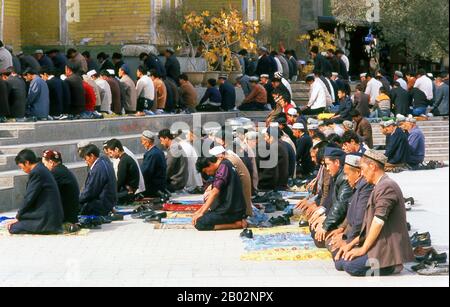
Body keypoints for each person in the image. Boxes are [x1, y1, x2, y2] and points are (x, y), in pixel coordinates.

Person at [334, 149, 414, 277]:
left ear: (372, 166)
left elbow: (378, 221)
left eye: (362, 168)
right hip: (377, 243)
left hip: (386, 248)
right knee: (339, 261)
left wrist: (363, 249)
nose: (361, 173)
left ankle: (392, 265)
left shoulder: (387, 186)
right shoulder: (379, 185)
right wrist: (352, 244)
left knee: (350, 266)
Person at [6, 150, 63, 235]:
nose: (23, 170)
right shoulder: (41, 168)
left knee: (13, 227)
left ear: (27, 162)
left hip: (47, 219)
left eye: (22, 167)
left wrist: (18, 216)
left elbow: (29, 197)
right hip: (52, 216)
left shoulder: (36, 172)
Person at [327, 155, 374, 257]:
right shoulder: (357, 185)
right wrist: (341, 229)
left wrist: (347, 240)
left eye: (348, 174)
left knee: (342, 261)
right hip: (351, 232)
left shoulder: (366, 187)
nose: (347, 178)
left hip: (359, 236)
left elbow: (359, 221)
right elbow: (350, 213)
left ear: (358, 172)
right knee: (329, 242)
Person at [311, 147, 353, 248]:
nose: (327, 168)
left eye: (328, 164)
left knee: (321, 239)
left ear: (337, 162)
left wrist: (326, 226)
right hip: (340, 220)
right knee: (315, 231)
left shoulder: (344, 177)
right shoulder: (337, 175)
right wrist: (323, 215)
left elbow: (340, 205)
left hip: (345, 222)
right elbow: (331, 199)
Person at [193, 156, 247, 231]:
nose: (207, 174)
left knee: (200, 223)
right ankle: (236, 221)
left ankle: (235, 225)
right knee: (199, 216)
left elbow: (215, 192)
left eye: (206, 171)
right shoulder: (226, 164)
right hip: (232, 209)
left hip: (231, 211)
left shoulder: (223, 168)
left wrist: (202, 212)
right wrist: (199, 211)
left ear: (210, 163)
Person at [41, 150, 80, 226]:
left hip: (65, 218)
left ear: (51, 163)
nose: (44, 166)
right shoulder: (62, 170)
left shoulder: (55, 173)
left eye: (44, 164)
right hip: (70, 215)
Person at [79, 144, 117, 216]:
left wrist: (77, 199)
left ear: (92, 156)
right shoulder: (104, 161)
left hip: (102, 205)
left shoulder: (98, 169)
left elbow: (90, 192)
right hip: (109, 201)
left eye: (85, 158)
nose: (85, 161)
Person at [104, 139, 140, 205]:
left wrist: (112, 192)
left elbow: (120, 181)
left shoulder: (123, 161)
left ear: (116, 149)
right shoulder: (126, 158)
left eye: (111, 152)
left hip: (129, 192)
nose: (111, 155)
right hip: (130, 189)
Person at [141, 131, 167, 197]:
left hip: (154, 188)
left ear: (147, 141)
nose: (142, 143)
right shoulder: (158, 151)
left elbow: (145, 172)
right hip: (160, 185)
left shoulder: (152, 154)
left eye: (142, 141)